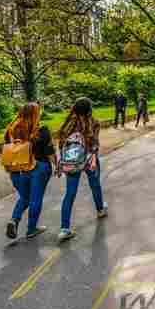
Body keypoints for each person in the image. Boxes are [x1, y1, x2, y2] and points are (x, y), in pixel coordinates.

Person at [56, 98, 107, 241]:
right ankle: (100, 210)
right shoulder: (94, 123)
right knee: (95, 185)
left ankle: (64, 228)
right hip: (89, 159)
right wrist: (94, 156)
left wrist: (63, 161)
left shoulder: (67, 124)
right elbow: (95, 144)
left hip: (72, 161)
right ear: (89, 110)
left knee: (70, 193)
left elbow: (61, 144)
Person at [5, 103, 55, 240]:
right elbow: (49, 151)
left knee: (25, 197)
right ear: (35, 114)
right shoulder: (41, 130)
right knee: (35, 199)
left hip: (16, 170)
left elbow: (8, 149)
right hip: (38, 167)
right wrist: (57, 165)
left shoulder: (11, 129)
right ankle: (31, 229)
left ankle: (14, 220)